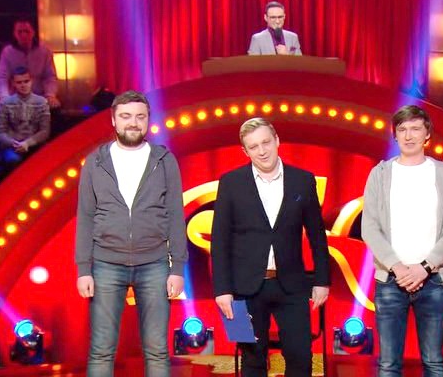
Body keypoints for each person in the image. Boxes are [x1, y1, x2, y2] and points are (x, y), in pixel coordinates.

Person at [75, 90, 187, 377]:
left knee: (157, 350)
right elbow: (85, 216)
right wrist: (83, 269)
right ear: (114, 120)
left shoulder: (164, 160)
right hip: (105, 264)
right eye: (126, 116)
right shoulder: (95, 162)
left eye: (140, 116)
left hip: (155, 263)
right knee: (101, 350)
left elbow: (175, 214)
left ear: (148, 120)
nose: (133, 123)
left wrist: (177, 268)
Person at [211, 117, 330, 377]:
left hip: (292, 286)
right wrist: (222, 290)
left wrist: (322, 280)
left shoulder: (303, 180)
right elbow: (219, 240)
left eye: (266, 142)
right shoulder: (230, 182)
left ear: (277, 141)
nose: (262, 151)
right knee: (251, 360)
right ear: (245, 151)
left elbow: (317, 235)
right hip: (242, 290)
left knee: (301, 357)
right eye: (253, 147)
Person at [361, 105, 443, 377]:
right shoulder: (380, 174)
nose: (408, 136)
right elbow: (369, 227)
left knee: (433, 362)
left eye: (415, 129)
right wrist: (397, 267)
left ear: (427, 134)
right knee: (388, 364)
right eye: (402, 129)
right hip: (390, 280)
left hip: (433, 280)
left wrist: (424, 268)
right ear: (394, 134)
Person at [0, 66, 51, 174]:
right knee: (12, 160)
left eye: (26, 81)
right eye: (19, 82)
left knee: (44, 160)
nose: (23, 85)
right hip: (13, 146)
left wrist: (27, 143)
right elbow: (0, 132)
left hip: (35, 145)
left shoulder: (41, 102)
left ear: (31, 81)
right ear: (13, 83)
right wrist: (15, 144)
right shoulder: (5, 103)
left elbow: (45, 131)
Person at [0, 19, 60, 108]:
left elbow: (50, 76)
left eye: (27, 31)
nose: (23, 35)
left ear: (33, 32)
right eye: (20, 32)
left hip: (39, 96)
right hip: (16, 97)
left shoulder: (45, 51)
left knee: (55, 107)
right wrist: (4, 97)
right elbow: (2, 77)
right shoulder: (7, 52)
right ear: (15, 34)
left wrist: (50, 95)